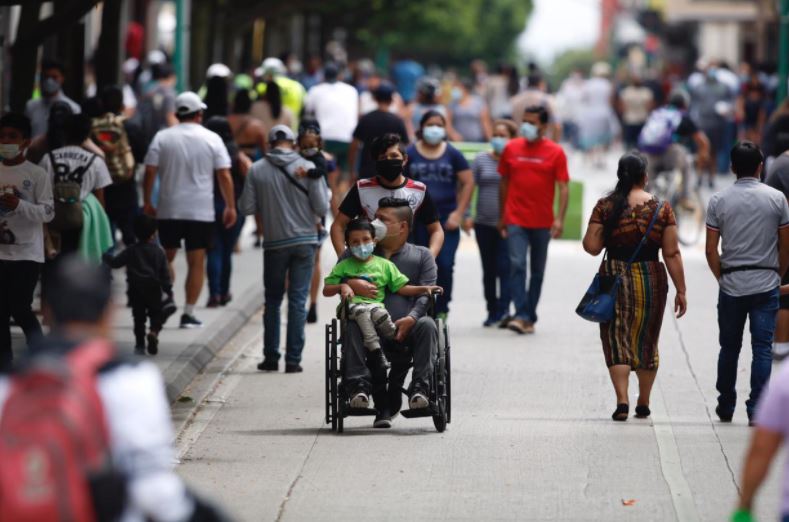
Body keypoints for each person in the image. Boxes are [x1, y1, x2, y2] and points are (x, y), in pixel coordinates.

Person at [0, 255, 228, 521]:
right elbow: (153, 487)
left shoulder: (10, 384)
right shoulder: (130, 380)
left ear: (45, 309)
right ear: (109, 311)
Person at [582, 152, 687, 421]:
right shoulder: (662, 208)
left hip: (615, 276)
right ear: (645, 177)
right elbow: (672, 253)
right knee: (647, 339)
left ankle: (622, 401)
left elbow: (592, 247)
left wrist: (611, 230)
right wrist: (681, 290)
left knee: (617, 338)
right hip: (651, 277)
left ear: (619, 175)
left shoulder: (605, 206)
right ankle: (644, 400)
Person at [705, 141, 789, 425]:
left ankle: (725, 404)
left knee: (729, 347)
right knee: (762, 348)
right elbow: (786, 247)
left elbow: (710, 249)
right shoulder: (777, 199)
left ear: (731, 168)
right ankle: (757, 410)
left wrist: (722, 277)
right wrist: (776, 276)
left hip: (732, 282)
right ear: (760, 166)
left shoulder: (718, 200)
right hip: (766, 282)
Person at [238, 124, 328, 373]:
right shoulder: (308, 167)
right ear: (293, 142)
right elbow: (321, 207)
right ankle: (293, 360)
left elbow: (246, 208)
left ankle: (270, 357)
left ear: (269, 143)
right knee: (299, 300)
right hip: (305, 241)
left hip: (274, 243)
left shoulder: (256, 169)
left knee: (273, 300)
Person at [142, 91, 237, 329]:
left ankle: (167, 296)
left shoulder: (162, 137)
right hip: (200, 211)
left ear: (176, 114)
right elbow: (224, 174)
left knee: (166, 257)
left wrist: (147, 201)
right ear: (199, 114)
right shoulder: (212, 138)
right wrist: (230, 205)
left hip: (168, 208)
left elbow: (150, 171)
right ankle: (188, 313)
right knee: (197, 261)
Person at [342, 197, 439, 427]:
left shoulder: (422, 256)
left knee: (428, 324)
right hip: (367, 329)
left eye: (383, 220)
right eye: (375, 217)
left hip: (407, 329)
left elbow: (426, 293)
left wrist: (411, 318)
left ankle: (420, 389)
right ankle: (359, 387)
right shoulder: (355, 253)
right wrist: (349, 283)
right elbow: (338, 283)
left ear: (402, 226)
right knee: (351, 323)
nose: (375, 222)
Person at [323, 218, 440, 377]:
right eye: (355, 242)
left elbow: (401, 287)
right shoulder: (344, 264)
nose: (361, 245)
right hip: (353, 308)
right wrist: (343, 285)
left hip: (374, 307)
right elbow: (326, 290)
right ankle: (374, 354)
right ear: (348, 245)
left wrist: (424, 289)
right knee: (361, 314)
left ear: (374, 241)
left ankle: (394, 340)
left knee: (380, 314)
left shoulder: (384, 265)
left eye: (366, 240)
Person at [498, 105, 570, 335]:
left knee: (537, 271)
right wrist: (502, 216)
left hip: (542, 221)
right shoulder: (511, 148)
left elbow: (564, 187)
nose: (526, 126)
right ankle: (521, 314)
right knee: (517, 264)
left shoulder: (555, 152)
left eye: (532, 122)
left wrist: (559, 219)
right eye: (524, 121)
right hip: (515, 218)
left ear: (544, 126)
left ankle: (529, 315)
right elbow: (504, 182)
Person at [405, 110, 474, 317]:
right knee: (417, 265)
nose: (434, 129)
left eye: (439, 125)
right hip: (416, 220)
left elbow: (468, 181)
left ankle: (442, 307)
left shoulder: (453, 154)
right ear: (422, 127)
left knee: (444, 264)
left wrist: (459, 213)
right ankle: (420, 307)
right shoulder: (411, 153)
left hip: (446, 220)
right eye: (430, 124)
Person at [331, 133, 444, 258]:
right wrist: (343, 259)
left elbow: (436, 230)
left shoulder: (418, 190)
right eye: (383, 157)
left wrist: (430, 257)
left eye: (394, 155)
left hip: (406, 260)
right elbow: (338, 225)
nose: (389, 160)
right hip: (369, 261)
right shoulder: (362, 188)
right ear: (377, 162)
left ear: (404, 159)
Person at [0, 113, 53, 371]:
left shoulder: (37, 174)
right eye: (2, 136)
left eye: (12, 136)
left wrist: (19, 205)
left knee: (20, 307)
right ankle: (5, 365)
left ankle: (40, 357)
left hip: (26, 254)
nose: (6, 141)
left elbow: (47, 212)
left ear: (25, 141)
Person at [40, 114, 113, 258]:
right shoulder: (96, 162)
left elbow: (39, 193)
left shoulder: (48, 158)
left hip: (53, 219)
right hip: (83, 219)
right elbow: (100, 198)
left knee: (55, 261)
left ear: (64, 133)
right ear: (87, 135)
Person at [466, 119, 517, 327]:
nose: (498, 139)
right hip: (483, 223)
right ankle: (492, 309)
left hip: (508, 223)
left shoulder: (515, 161)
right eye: (495, 134)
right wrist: (467, 214)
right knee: (489, 269)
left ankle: (504, 309)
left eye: (503, 135)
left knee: (506, 266)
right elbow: (469, 187)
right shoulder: (480, 160)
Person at [103, 214, 172, 355]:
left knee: (139, 318)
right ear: (154, 234)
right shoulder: (158, 252)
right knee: (156, 315)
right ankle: (153, 332)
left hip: (135, 289)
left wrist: (103, 255)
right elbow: (165, 273)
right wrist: (167, 288)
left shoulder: (131, 250)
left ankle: (140, 345)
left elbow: (115, 263)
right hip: (154, 289)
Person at [733, 363, 789, 522]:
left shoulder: (785, 381)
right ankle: (754, 408)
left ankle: (730, 403)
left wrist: (744, 505)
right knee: (762, 347)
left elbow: (761, 452)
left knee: (730, 347)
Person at [204, 116, 250, 308]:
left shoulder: (205, 151)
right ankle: (224, 292)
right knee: (226, 252)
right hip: (234, 207)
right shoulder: (237, 154)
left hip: (208, 206)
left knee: (214, 250)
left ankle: (213, 294)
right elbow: (249, 178)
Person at [93, 85, 146, 247]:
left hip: (102, 188)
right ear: (122, 105)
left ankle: (106, 270)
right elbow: (142, 155)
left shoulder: (92, 128)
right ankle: (135, 269)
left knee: (105, 235)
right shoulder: (130, 127)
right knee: (131, 235)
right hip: (126, 185)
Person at [639, 91, 711, 196]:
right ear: (685, 104)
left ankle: (643, 201)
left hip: (648, 152)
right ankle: (685, 197)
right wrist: (703, 156)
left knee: (647, 183)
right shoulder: (683, 116)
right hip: (670, 154)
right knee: (687, 165)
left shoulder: (658, 113)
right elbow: (703, 141)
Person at [304, 62, 359, 189]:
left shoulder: (315, 90)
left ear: (323, 76)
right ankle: (339, 197)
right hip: (348, 138)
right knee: (343, 173)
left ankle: (329, 194)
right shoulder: (351, 90)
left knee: (324, 171)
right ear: (339, 75)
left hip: (324, 138)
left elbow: (308, 112)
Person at [349, 83, 409, 181]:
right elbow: (405, 146)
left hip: (367, 172)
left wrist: (352, 170)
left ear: (375, 98)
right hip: (392, 173)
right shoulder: (397, 121)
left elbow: (354, 146)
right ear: (391, 100)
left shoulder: (366, 119)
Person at [766, 150, 789, 360]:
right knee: (785, 297)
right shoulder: (785, 168)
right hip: (782, 241)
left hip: (778, 239)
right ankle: (780, 348)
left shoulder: (782, 164)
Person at [25, 59, 81, 138]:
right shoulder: (31, 106)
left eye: (54, 77)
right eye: (46, 76)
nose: (49, 81)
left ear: (62, 78)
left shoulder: (73, 108)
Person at [578, 62, 617, 168]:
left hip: (590, 114)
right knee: (603, 137)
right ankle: (602, 159)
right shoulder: (607, 84)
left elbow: (583, 99)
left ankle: (593, 159)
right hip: (604, 113)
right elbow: (610, 101)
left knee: (591, 138)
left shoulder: (588, 84)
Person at [228, 89, 267, 160]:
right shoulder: (257, 125)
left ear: (235, 103)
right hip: (251, 162)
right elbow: (264, 149)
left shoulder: (227, 121)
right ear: (249, 104)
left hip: (231, 160)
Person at [449, 78, 492, 143]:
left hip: (477, 141)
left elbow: (485, 123)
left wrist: (490, 140)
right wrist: (453, 134)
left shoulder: (479, 102)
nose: (454, 89)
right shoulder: (452, 104)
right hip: (459, 142)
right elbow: (447, 123)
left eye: (457, 87)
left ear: (465, 89)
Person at [617, 73, 654, 150]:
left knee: (630, 145)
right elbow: (649, 107)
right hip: (642, 119)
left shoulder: (626, 92)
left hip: (630, 120)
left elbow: (622, 107)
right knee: (640, 145)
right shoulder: (646, 92)